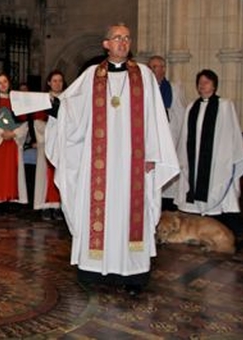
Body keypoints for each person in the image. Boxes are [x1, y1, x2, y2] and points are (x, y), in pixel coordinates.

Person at [45, 23, 179, 296]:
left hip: (135, 163)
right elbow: (71, 108)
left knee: (132, 214)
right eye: (117, 38)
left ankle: (134, 275)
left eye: (127, 38)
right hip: (100, 164)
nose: (123, 42)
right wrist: (54, 106)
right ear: (106, 44)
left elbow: (155, 118)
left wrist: (152, 154)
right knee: (100, 212)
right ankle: (94, 269)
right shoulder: (91, 76)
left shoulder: (143, 75)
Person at [174, 69, 243, 231]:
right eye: (199, 83)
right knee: (193, 182)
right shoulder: (192, 107)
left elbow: (231, 133)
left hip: (216, 159)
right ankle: (196, 215)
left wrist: (226, 157)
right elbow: (185, 134)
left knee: (215, 181)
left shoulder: (225, 105)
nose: (202, 85)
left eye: (206, 82)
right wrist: (182, 158)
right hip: (195, 159)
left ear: (214, 85)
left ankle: (218, 218)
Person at [0, 73, 29, 207]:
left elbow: (24, 124)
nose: (3, 85)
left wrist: (14, 133)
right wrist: (2, 132)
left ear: (9, 83)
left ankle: (13, 198)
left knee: (13, 171)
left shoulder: (17, 102)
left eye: (5, 82)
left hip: (13, 141)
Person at [147, 55, 188, 211]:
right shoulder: (142, 88)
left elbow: (181, 113)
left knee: (168, 178)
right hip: (149, 141)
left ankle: (167, 210)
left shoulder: (174, 88)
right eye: (154, 66)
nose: (158, 70)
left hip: (170, 137)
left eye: (161, 66)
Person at [33, 70, 65, 220]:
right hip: (46, 142)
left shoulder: (68, 99)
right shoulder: (43, 100)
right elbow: (38, 123)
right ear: (49, 83)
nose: (57, 84)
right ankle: (44, 206)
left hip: (62, 144)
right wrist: (51, 132)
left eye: (60, 81)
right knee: (44, 175)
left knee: (61, 174)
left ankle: (59, 206)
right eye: (54, 81)